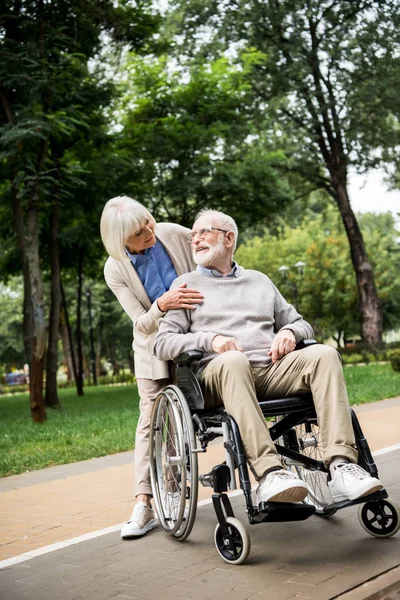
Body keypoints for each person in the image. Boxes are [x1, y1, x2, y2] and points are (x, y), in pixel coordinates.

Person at [154, 209, 383, 505]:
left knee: (324, 354)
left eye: (203, 232)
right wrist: (211, 340)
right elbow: (162, 342)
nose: (195, 240)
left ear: (228, 238)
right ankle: (270, 473)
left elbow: (302, 323)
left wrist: (289, 331)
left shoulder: (260, 281)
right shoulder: (185, 285)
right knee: (234, 362)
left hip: (269, 370)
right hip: (217, 377)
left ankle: (341, 466)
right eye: (192, 235)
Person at [101, 195, 203, 538]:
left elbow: (214, 257)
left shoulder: (172, 233)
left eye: (148, 222)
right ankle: (144, 503)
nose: (149, 231)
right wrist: (162, 304)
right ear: (120, 241)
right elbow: (140, 323)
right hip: (152, 350)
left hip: (196, 338)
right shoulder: (115, 268)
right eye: (139, 232)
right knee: (151, 421)